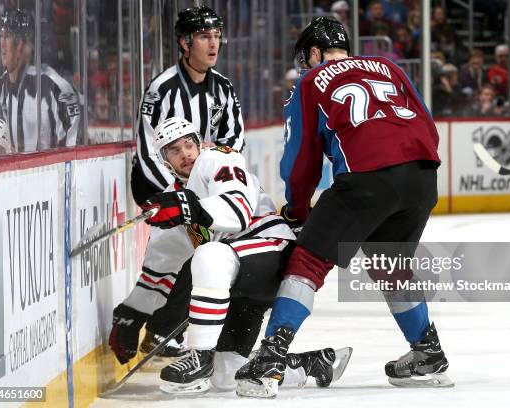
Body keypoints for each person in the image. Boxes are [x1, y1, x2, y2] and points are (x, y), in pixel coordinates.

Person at [235, 17, 453, 398]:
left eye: (306, 57)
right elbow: (427, 125)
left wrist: (299, 209)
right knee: (388, 264)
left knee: (308, 261)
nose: (304, 66)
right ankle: (427, 352)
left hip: (367, 178)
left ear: (315, 53)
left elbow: (301, 159)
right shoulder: (389, 67)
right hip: (423, 174)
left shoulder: (309, 82)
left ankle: (269, 359)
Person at [110, 117, 351, 394]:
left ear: (199, 144)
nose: (185, 154)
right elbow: (158, 273)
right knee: (227, 375)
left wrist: (187, 208)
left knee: (210, 255)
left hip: (270, 252)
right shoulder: (173, 200)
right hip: (238, 282)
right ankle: (309, 364)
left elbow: (236, 212)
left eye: (189, 144)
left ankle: (199, 355)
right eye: (174, 150)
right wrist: (131, 316)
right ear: (165, 161)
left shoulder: (217, 160)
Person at [127, 6, 245, 358]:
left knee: (210, 250)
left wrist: (210, 182)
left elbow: (235, 140)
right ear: (184, 42)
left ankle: (164, 328)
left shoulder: (223, 88)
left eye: (216, 36)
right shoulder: (162, 89)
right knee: (191, 247)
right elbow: (147, 150)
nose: (213, 43)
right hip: (160, 184)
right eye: (205, 36)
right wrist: (175, 194)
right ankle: (162, 329)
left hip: (201, 187)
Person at [0, 9, 81, 152]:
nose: (1, 44)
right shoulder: (2, 84)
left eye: (7, 36)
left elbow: (74, 139)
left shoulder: (53, 86)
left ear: (22, 44)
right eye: (1, 36)